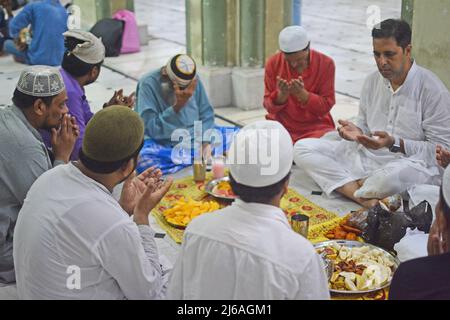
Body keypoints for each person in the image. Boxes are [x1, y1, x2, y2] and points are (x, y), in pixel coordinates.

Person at [14, 106, 174, 299]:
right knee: (177, 279)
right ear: (127, 166)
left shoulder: (50, 177)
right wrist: (141, 216)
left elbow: (90, 229)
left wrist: (122, 209)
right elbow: (148, 292)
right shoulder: (112, 222)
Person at [294, 19, 450, 208]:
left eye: (389, 54)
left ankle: (354, 185)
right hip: (366, 158)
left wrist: (396, 144)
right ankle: (364, 197)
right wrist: (357, 132)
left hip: (405, 165)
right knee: (302, 148)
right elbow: (365, 128)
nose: (382, 62)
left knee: (390, 179)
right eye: (376, 55)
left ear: (407, 50)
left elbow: (439, 152)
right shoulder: (371, 81)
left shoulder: (433, 90)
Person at [167, 121, 330, 300]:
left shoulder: (197, 229)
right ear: (286, 185)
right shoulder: (300, 256)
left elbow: (175, 295)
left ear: (231, 184)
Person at [0, 66, 78, 284]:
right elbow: (49, 208)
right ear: (39, 106)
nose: (65, 111)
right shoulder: (23, 146)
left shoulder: (8, 117)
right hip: (5, 250)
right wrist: (62, 155)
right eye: (61, 104)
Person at [40, 30, 135, 160]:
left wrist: (109, 110)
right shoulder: (70, 92)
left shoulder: (67, 79)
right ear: (94, 71)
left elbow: (86, 122)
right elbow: (79, 148)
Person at [135, 54, 237, 175]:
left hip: (197, 137)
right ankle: (193, 157)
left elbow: (206, 113)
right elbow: (150, 129)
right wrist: (178, 106)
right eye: (180, 87)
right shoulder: (148, 84)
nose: (186, 91)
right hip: (165, 144)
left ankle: (192, 157)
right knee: (143, 160)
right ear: (165, 75)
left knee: (241, 135)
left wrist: (206, 142)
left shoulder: (193, 80)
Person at [264, 25, 336, 143]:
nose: (293, 65)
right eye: (288, 61)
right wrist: (281, 96)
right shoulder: (273, 63)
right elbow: (268, 106)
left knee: (331, 141)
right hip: (282, 128)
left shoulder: (326, 64)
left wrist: (303, 95)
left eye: (299, 60)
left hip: (316, 128)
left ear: (308, 48)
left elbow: (326, 106)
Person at [389, 166, 450, 300]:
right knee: (420, 191)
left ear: (441, 218)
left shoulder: (411, 276)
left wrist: (434, 271)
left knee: (406, 245)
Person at [4, 0, 68, 65]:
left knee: (7, 44)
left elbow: (14, 26)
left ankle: (28, 58)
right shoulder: (63, 10)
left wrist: (19, 40)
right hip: (60, 59)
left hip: (38, 59)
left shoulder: (34, 5)